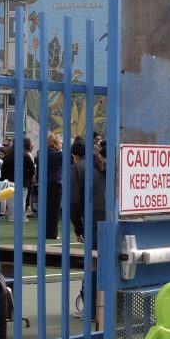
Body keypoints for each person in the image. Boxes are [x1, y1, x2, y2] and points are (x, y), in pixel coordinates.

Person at [69, 136, 106, 322]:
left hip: (93, 219)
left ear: (74, 155)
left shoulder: (76, 169)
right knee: (109, 263)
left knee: (93, 265)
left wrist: (78, 228)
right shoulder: (102, 165)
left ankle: (91, 308)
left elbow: (73, 202)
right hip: (110, 216)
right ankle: (109, 306)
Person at [0, 136, 36, 222]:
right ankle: (21, 217)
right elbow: (32, 168)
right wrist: (29, 177)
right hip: (23, 180)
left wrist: (4, 179)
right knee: (22, 199)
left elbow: (3, 168)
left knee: (11, 199)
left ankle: (11, 216)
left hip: (10, 180)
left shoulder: (8, 154)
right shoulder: (25, 154)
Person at [40, 132, 64, 239]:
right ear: (55, 143)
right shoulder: (58, 155)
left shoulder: (42, 153)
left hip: (44, 182)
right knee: (54, 210)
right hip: (55, 183)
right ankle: (52, 233)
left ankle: (45, 231)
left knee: (46, 208)